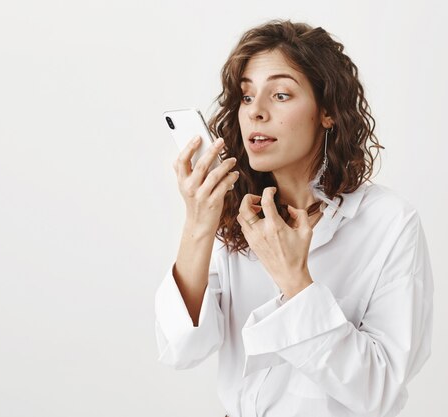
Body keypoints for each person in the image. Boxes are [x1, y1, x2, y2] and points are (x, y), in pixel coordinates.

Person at [154, 19, 433, 417]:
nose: (256, 113)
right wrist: (199, 224)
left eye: (281, 94)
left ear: (328, 113)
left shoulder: (390, 223)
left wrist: (295, 282)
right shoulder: (233, 215)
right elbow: (181, 349)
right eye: (247, 97)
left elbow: (380, 391)